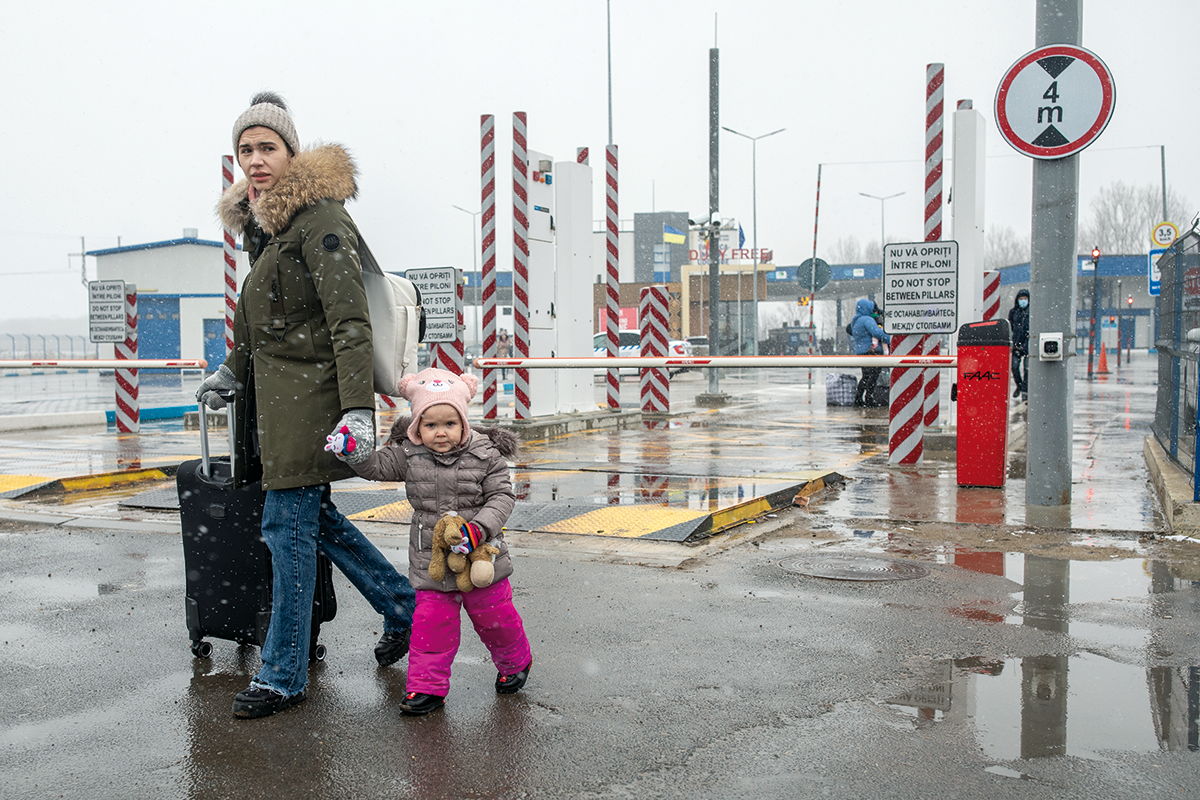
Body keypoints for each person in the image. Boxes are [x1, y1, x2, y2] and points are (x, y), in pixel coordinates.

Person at [196, 91, 415, 720]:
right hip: (276, 405)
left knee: (285, 531)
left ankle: (284, 671)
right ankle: (403, 606)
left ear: (292, 152)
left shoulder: (320, 220)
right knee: (314, 523)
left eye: (268, 147)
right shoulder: (267, 229)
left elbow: (349, 324)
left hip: (313, 404)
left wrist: (356, 411)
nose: (256, 160)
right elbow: (261, 328)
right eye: (245, 150)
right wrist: (228, 372)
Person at [329, 367, 532, 716]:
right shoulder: (410, 454)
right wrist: (353, 452)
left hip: (482, 557)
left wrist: (479, 528)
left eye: (449, 424)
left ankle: (516, 662)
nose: (440, 432)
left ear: (464, 423)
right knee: (431, 626)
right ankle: (426, 688)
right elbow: (375, 467)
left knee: (494, 618)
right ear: (417, 428)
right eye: (431, 424)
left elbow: (502, 497)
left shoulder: (486, 454)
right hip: (431, 561)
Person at [850, 299, 890, 407]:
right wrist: (889, 339)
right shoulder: (867, 320)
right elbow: (877, 332)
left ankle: (858, 398)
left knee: (866, 376)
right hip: (872, 351)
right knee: (872, 376)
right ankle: (869, 399)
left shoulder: (856, 319)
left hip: (861, 351)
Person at [1008, 288, 1030, 398]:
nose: (1023, 301)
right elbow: (1010, 327)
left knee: (1027, 369)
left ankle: (1025, 392)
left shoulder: (1031, 313)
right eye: (1021, 299)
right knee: (1014, 367)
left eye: (1025, 299)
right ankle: (1019, 386)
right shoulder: (1013, 312)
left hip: (1028, 345)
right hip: (1016, 344)